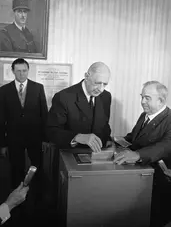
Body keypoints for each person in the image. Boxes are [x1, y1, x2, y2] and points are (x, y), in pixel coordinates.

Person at [113, 81, 171, 227]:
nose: (142, 101)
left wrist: (137, 155)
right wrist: (115, 141)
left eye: (147, 98)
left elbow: (164, 146)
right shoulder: (144, 115)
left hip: (159, 180)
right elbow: (133, 137)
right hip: (139, 175)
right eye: (142, 97)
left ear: (161, 100)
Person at [0, 58, 48, 189]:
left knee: (37, 165)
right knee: (16, 168)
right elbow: (1, 119)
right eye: (19, 71)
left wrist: (45, 139)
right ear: (13, 71)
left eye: (25, 71)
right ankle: (17, 195)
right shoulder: (4, 91)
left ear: (28, 70)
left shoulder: (38, 88)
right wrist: (2, 144)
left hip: (35, 137)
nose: (22, 74)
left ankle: (38, 192)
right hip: (14, 138)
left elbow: (44, 115)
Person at [46, 61, 112, 152]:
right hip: (69, 156)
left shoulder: (106, 97)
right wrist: (77, 137)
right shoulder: (63, 97)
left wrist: (107, 141)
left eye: (105, 84)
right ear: (86, 76)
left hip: (98, 156)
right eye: (97, 83)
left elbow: (105, 126)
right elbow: (51, 131)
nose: (101, 89)